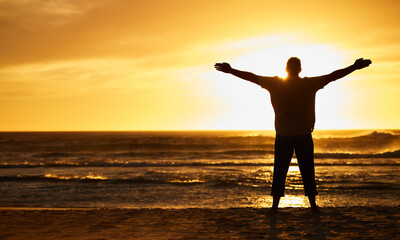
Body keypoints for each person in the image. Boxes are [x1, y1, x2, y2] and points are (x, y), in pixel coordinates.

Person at [215, 57, 371, 213]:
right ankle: (313, 206)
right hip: (303, 134)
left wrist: (231, 71)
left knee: (280, 171)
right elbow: (333, 76)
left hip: (283, 134)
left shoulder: (276, 83)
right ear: (300, 69)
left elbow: (252, 77)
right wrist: (354, 67)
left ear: (286, 69)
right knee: (307, 170)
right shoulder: (308, 84)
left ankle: (275, 207)